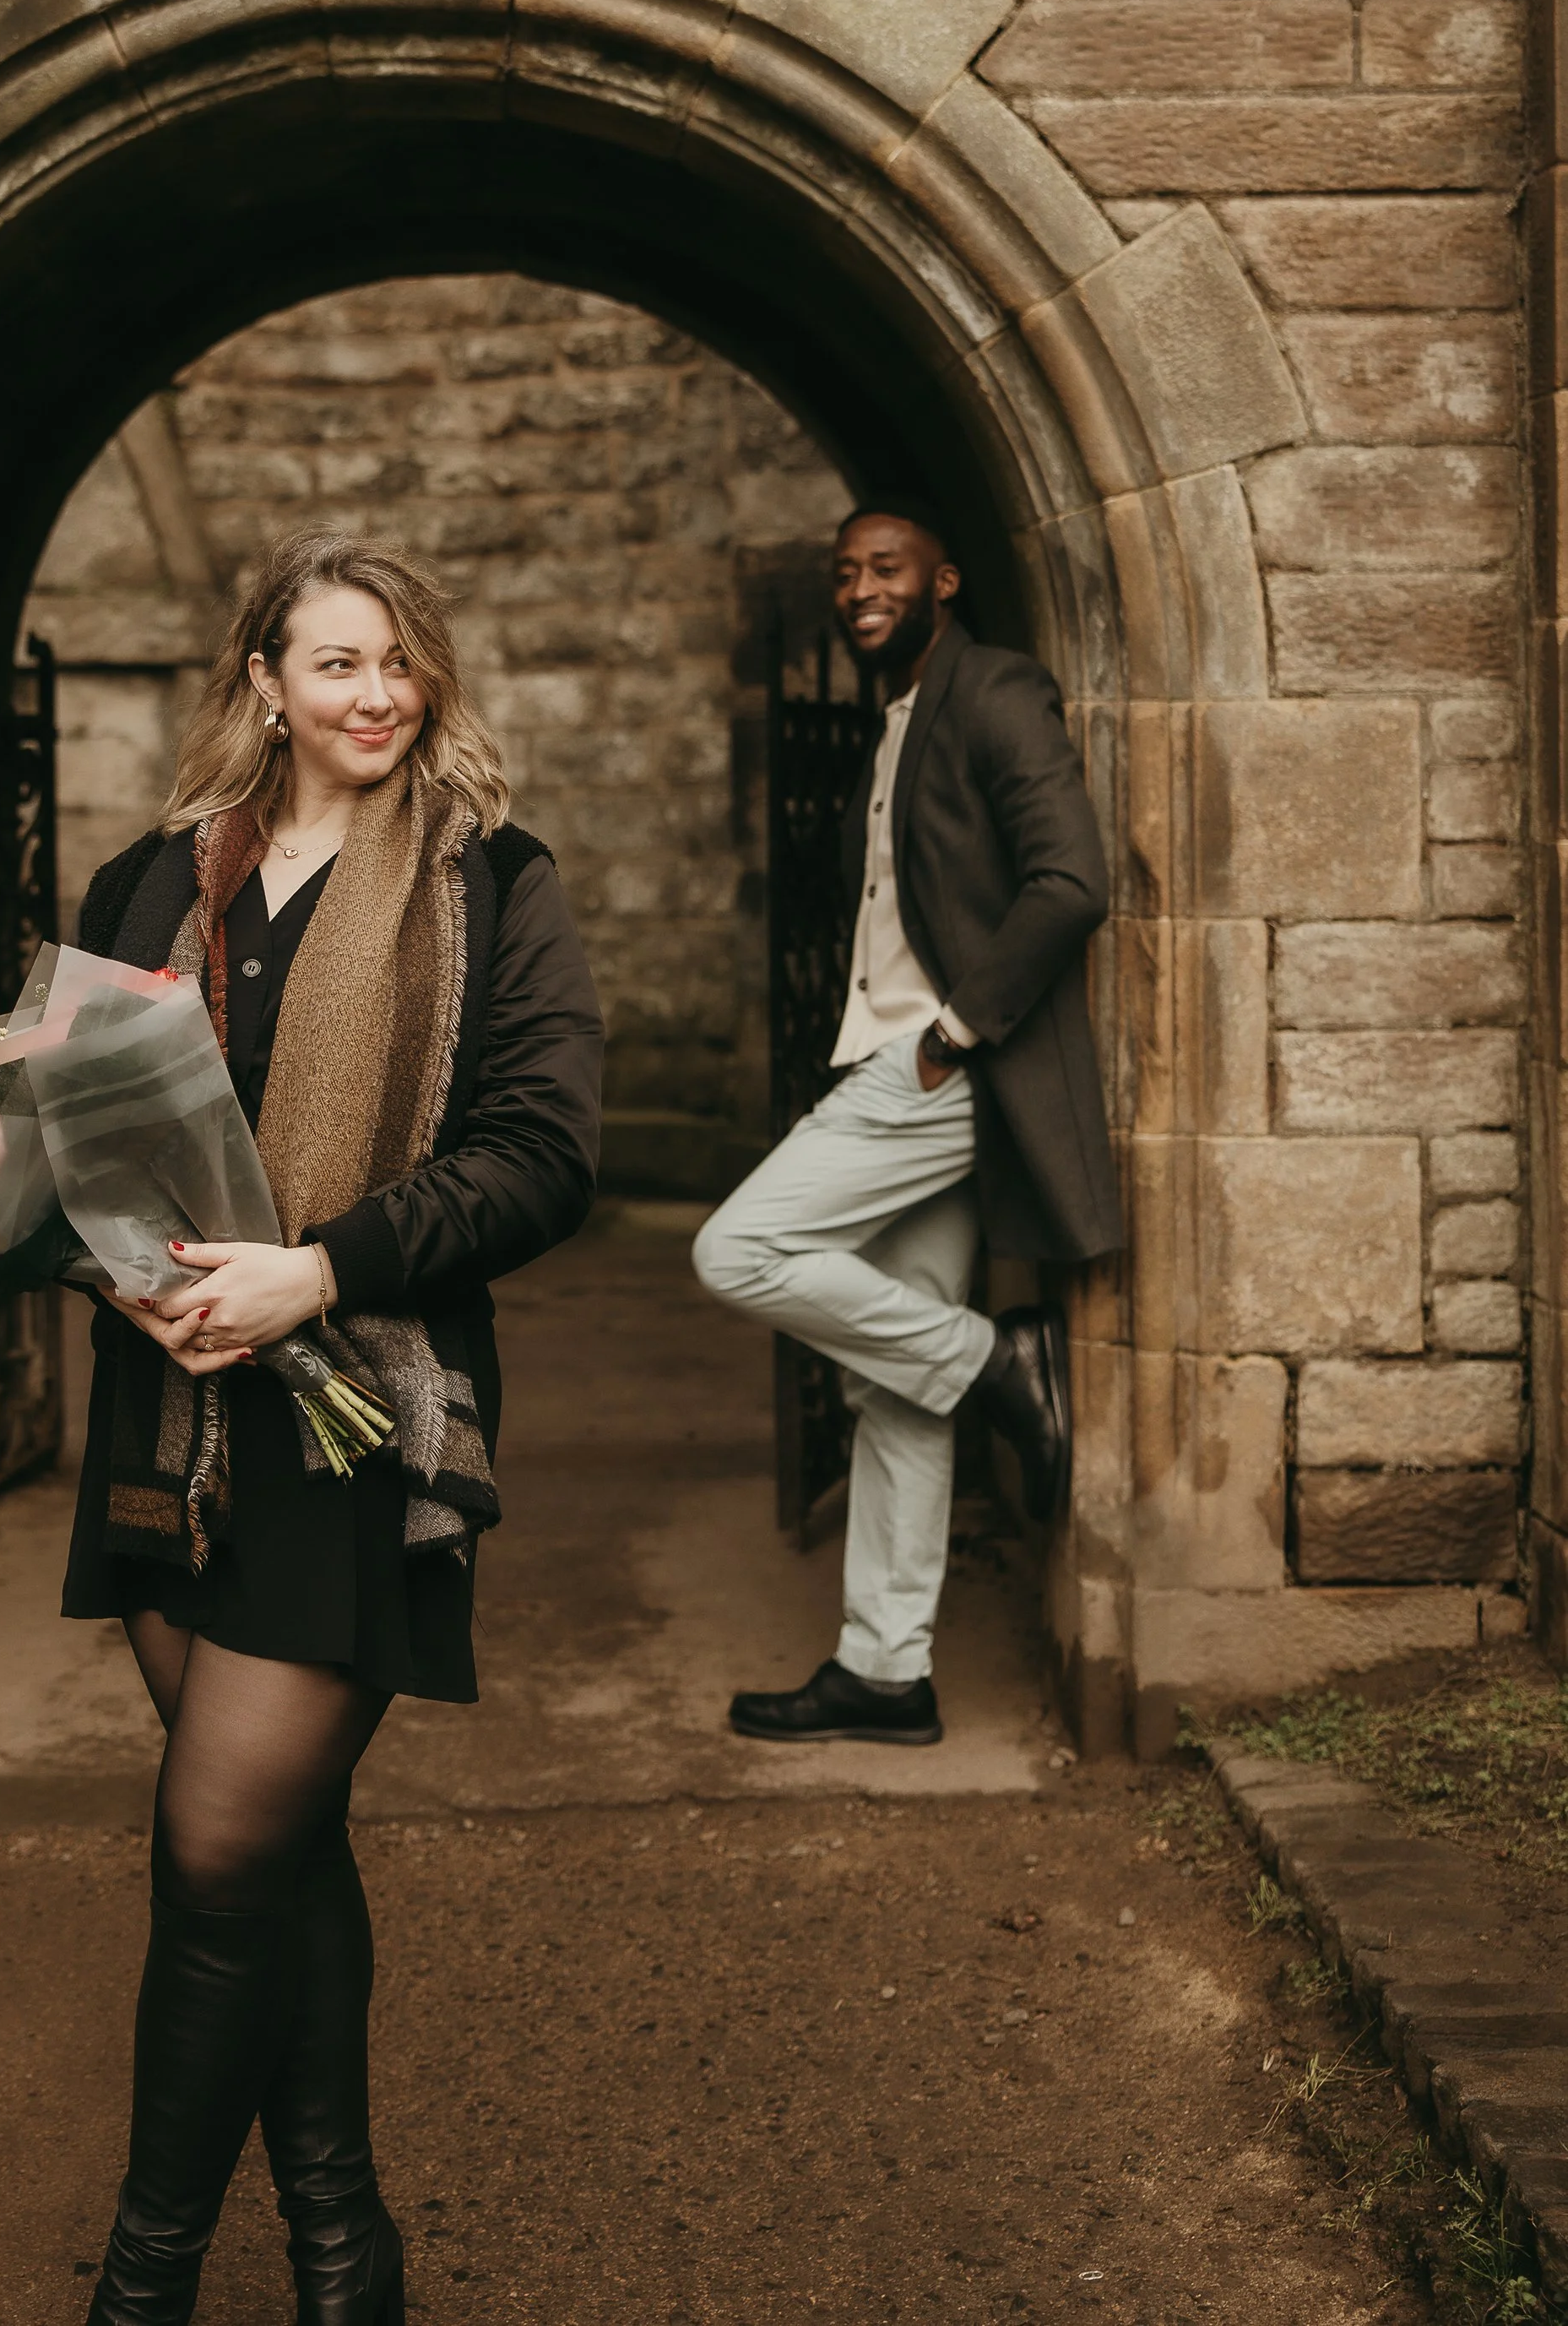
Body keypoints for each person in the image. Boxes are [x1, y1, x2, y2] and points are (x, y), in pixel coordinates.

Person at [60, 530, 604, 2326]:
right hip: (169, 1414)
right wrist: (117, 1276)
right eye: (338, 663)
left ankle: (141, 2287)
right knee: (275, 1853)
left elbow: (541, 1159)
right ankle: (341, 2254)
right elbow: (66, 1150)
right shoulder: (149, 885)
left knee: (216, 1850)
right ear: (263, 681)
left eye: (399, 662)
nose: (376, 694)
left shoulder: (490, 886)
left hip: (359, 1421)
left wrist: (320, 1268)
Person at [693, 497, 1121, 1749]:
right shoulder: (899, 715)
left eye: (886, 566)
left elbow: (1072, 880)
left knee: (738, 1249)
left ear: (944, 577)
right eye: (843, 572)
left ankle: (996, 1361)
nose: (859, 586)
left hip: (941, 1069)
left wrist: (956, 1032)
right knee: (897, 1395)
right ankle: (887, 1671)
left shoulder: (994, 690)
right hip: (901, 1058)